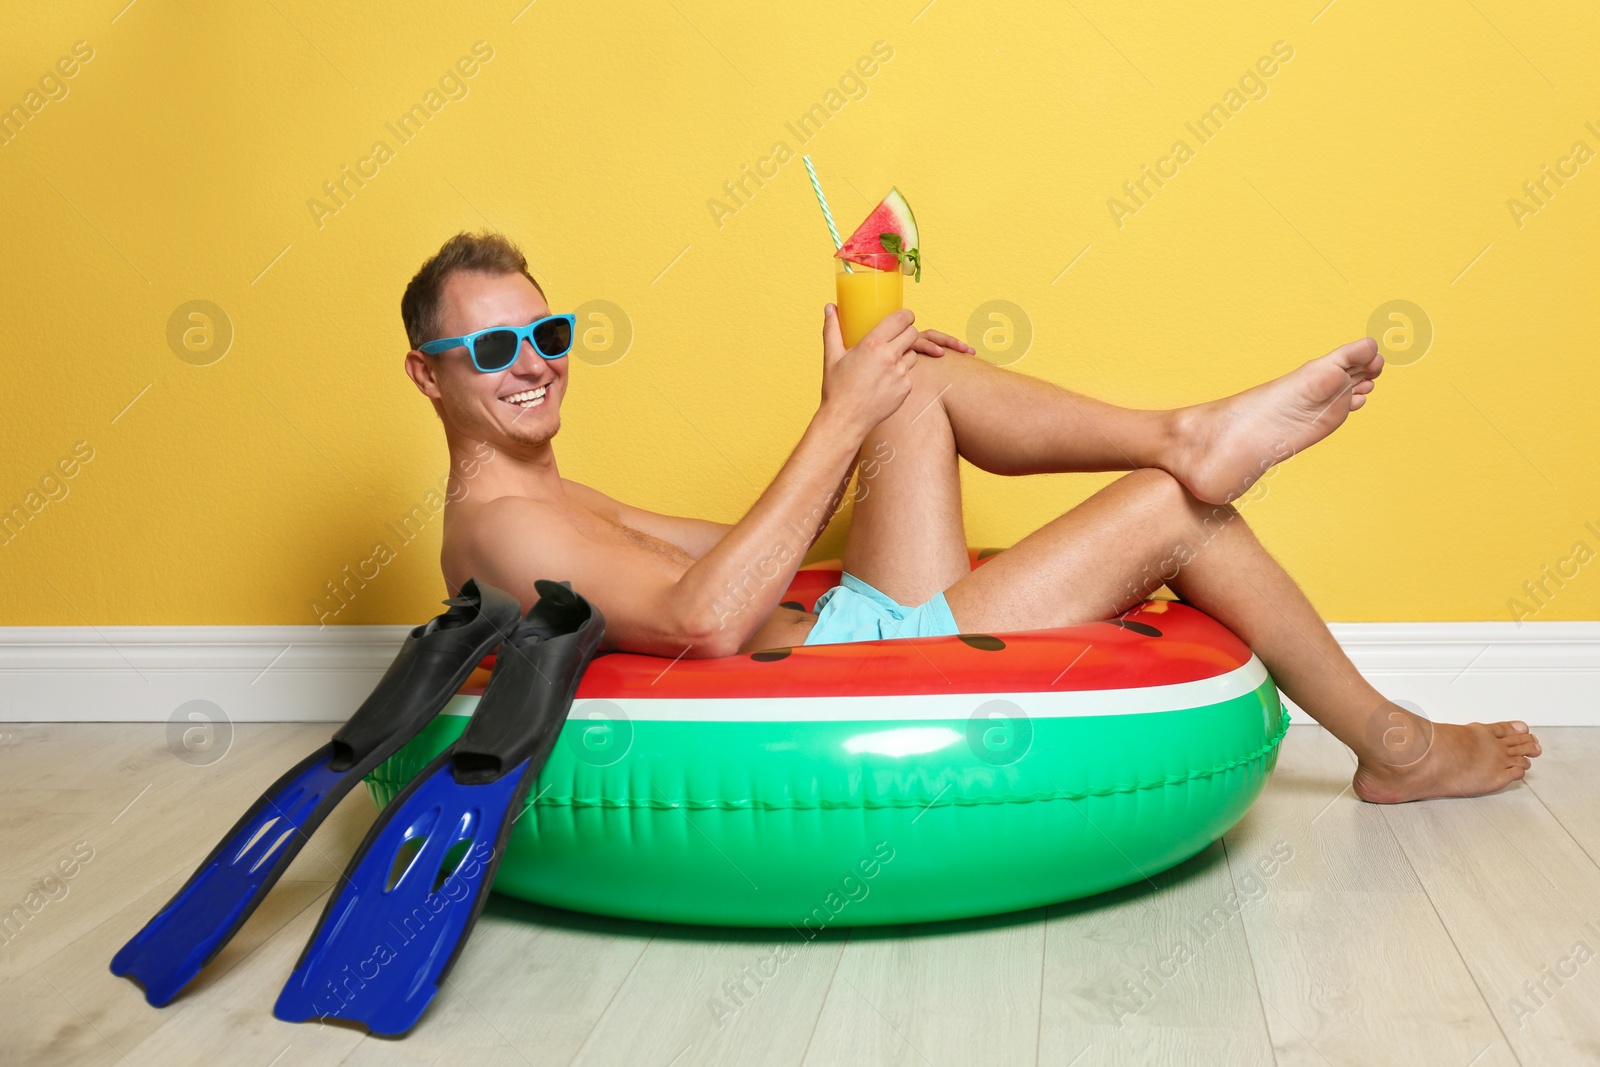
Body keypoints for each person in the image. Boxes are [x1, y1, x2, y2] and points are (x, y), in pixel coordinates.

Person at [400, 230, 1540, 804]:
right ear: (427, 377)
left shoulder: (551, 495)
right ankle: (1396, 748)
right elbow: (705, 620)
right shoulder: (504, 530)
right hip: (862, 664)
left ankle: (1181, 429)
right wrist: (842, 424)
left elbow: (751, 547)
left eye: (547, 337)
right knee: (1181, 516)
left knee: (921, 380)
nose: (536, 366)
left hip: (851, 615)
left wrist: (855, 414)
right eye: (495, 348)